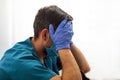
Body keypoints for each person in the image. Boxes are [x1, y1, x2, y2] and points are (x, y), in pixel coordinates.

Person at [0, 5, 90, 80]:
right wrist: (63, 45)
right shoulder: (21, 61)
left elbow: (84, 68)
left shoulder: (48, 51)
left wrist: (67, 40)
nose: (63, 39)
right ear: (45, 35)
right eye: (61, 35)